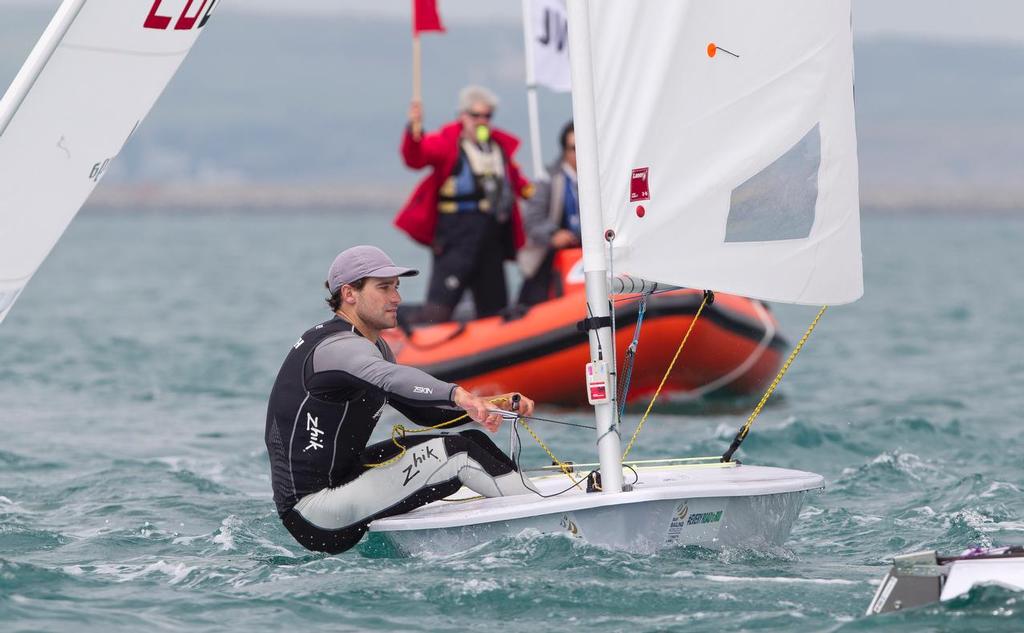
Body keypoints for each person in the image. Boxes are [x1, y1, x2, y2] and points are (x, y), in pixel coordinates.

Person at [264, 245, 538, 554]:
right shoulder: (337, 346)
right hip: (316, 512)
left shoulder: (374, 346)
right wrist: (455, 392)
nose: (397, 298)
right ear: (349, 293)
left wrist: (487, 405)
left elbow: (421, 412)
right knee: (460, 454)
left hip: (345, 482)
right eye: (384, 288)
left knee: (472, 440)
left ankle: (525, 498)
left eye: (396, 287)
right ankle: (544, 521)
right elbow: (394, 379)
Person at [395, 85, 533, 324]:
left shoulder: (498, 149)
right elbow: (416, 157)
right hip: (456, 238)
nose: (482, 121)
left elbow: (518, 183)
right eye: (475, 115)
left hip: (491, 238)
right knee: (438, 311)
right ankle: (396, 321)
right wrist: (413, 129)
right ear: (463, 115)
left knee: (494, 310)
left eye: (487, 116)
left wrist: (537, 194)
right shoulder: (448, 143)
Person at [517, 122, 579, 306]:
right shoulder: (548, 179)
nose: (578, 154)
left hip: (589, 255)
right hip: (553, 257)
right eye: (573, 148)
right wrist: (553, 234)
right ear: (565, 150)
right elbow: (532, 220)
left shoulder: (599, 178)